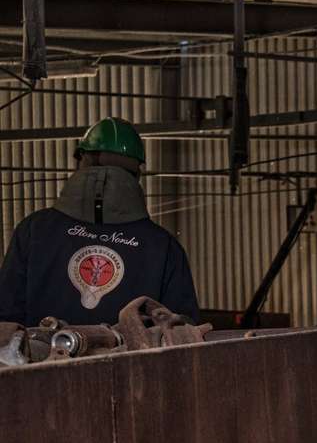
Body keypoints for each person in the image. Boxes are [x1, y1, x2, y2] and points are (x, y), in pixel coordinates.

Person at [0, 118, 198, 325]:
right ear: (136, 171)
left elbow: (6, 317)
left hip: (44, 356)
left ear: (81, 161)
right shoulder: (163, 246)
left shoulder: (34, 230)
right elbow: (180, 330)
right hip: (132, 357)